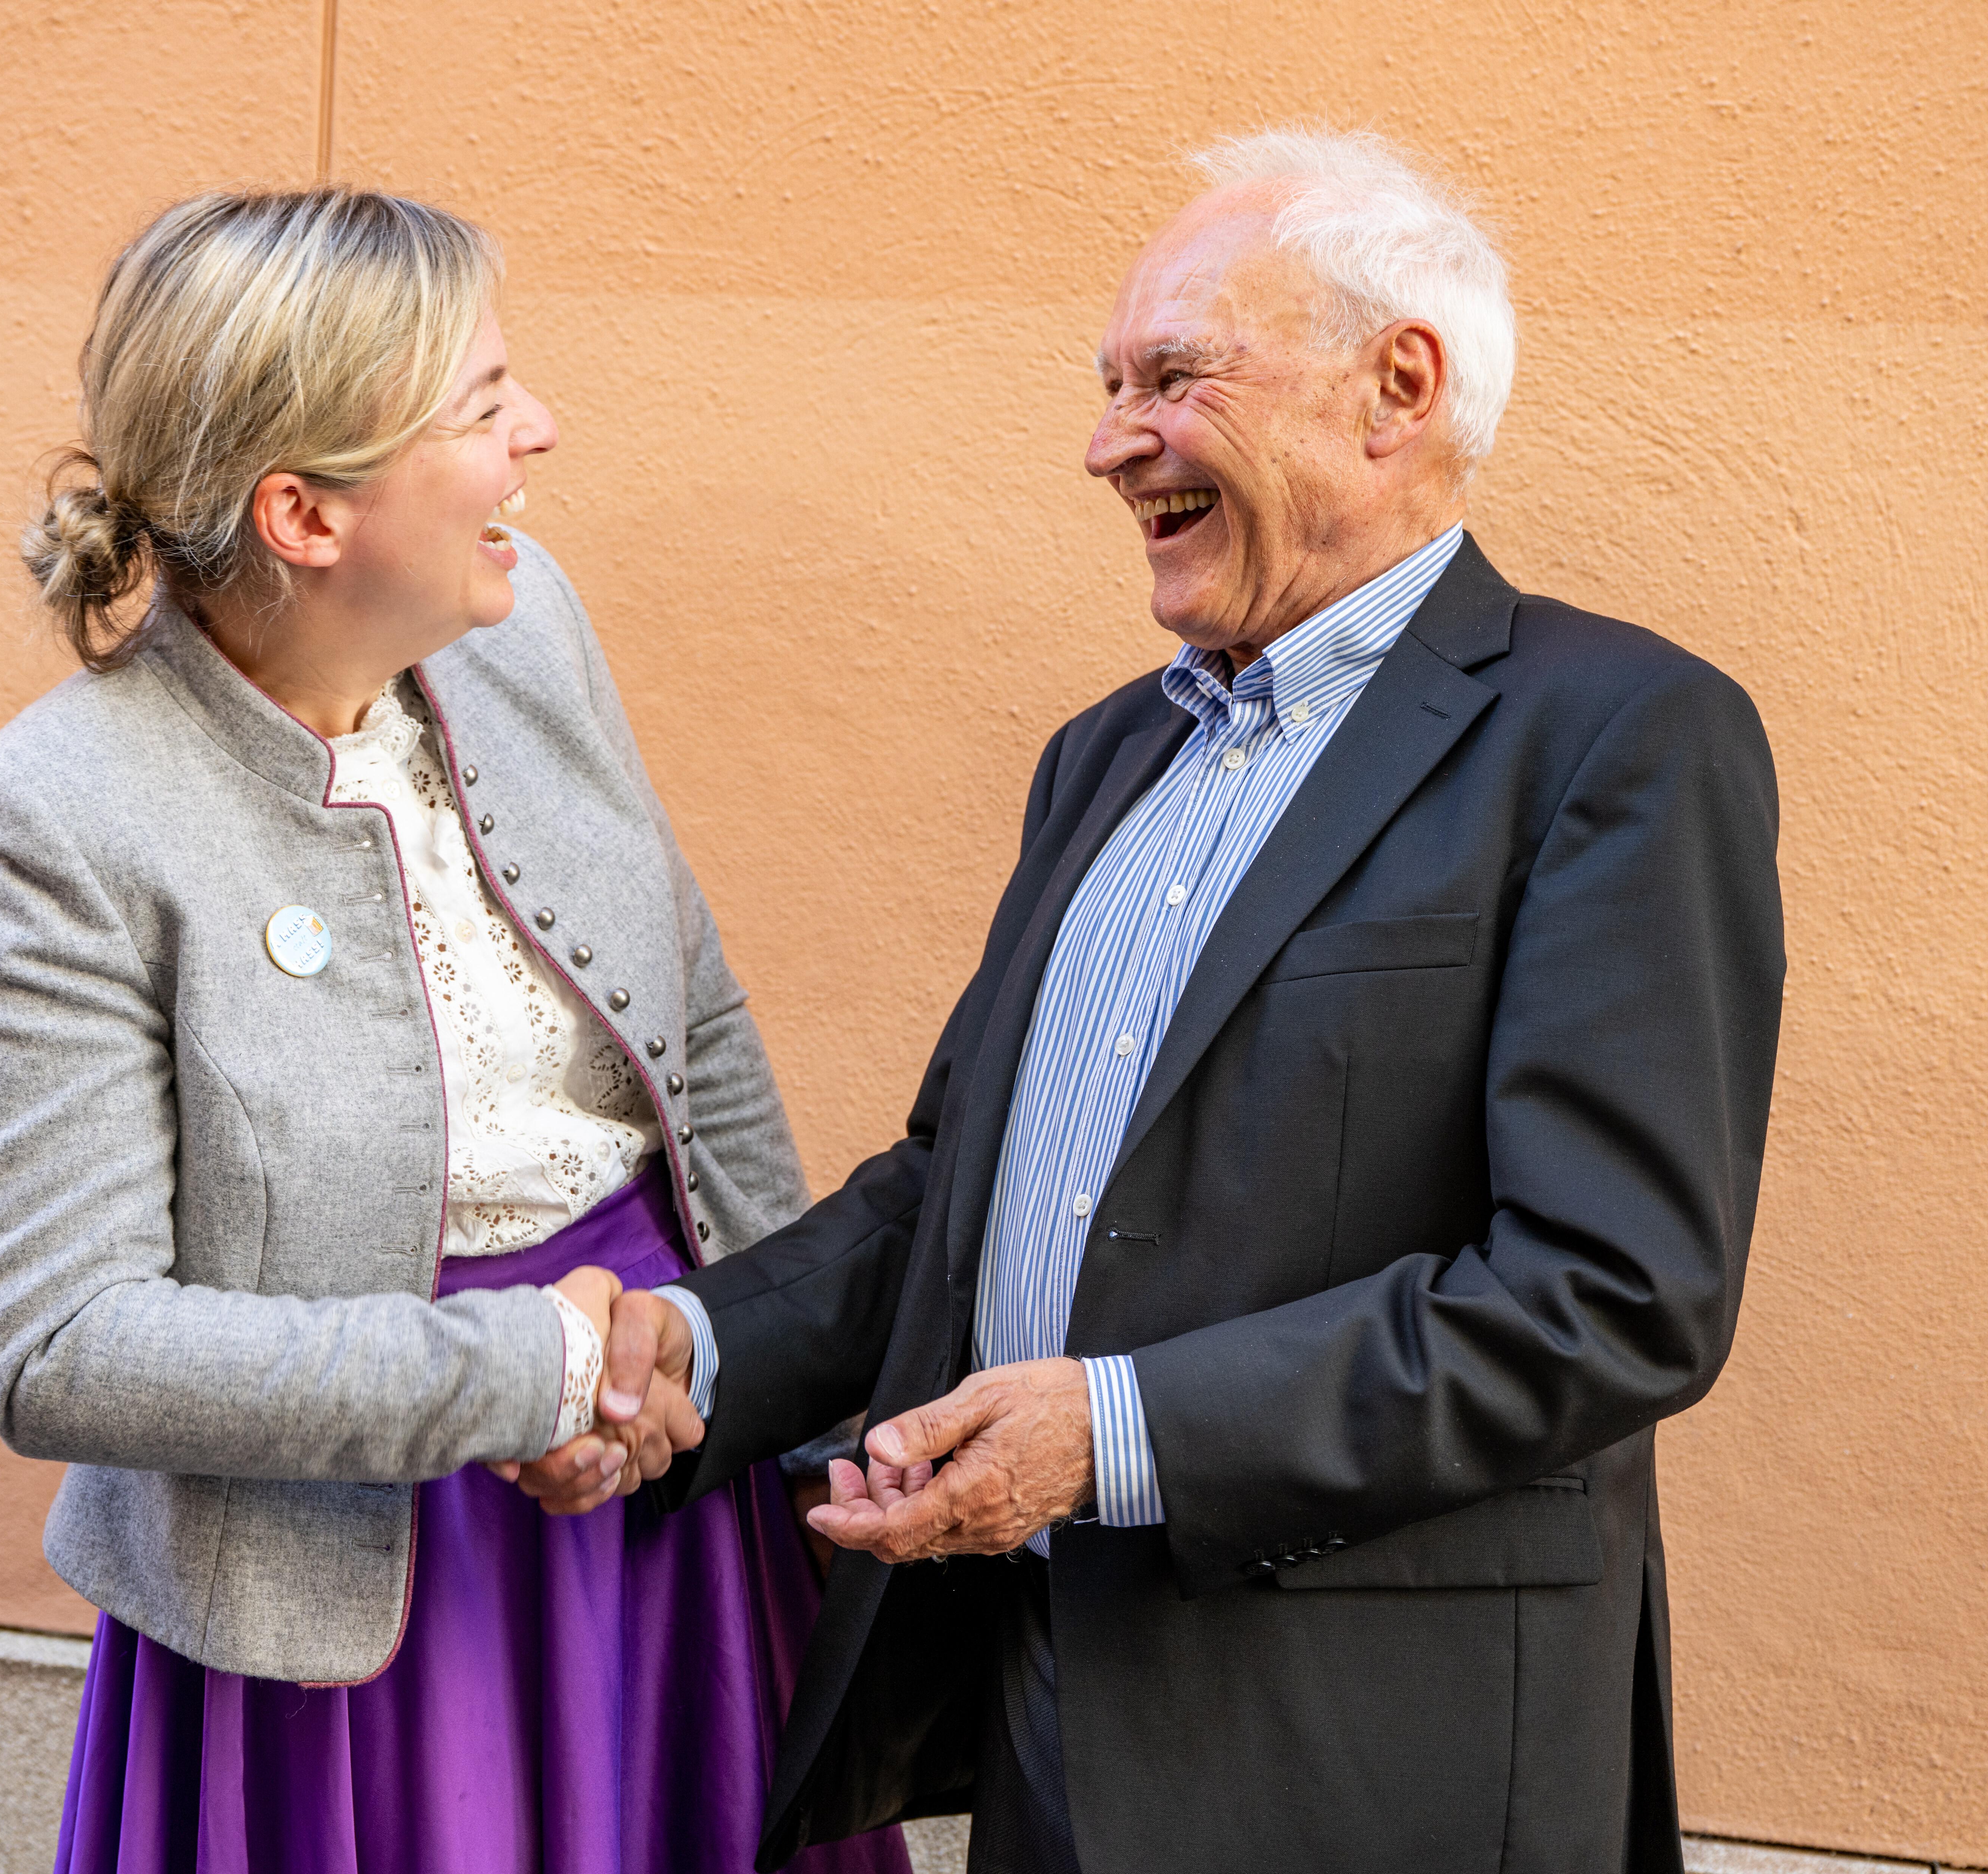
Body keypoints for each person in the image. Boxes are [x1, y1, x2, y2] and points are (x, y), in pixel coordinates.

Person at [542, 129, 1788, 1872]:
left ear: (1396, 387)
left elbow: (1613, 1295)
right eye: (1110, 382)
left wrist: (1113, 1432)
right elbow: (947, 1197)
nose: (1109, 439)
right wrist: (705, 1341)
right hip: (1056, 1715)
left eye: (1173, 377)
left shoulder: (1614, 737)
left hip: (1378, 1757)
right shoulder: (1107, 756)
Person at [0, 186, 908, 1874]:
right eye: (480, 405)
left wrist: (728, 1357)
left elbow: (703, 1032)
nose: (539, 430)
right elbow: (61, 1341)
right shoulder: (54, 813)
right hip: (343, 1588)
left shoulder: (533, 631)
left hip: (666, 1479)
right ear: (306, 513)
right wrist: (525, 1372)